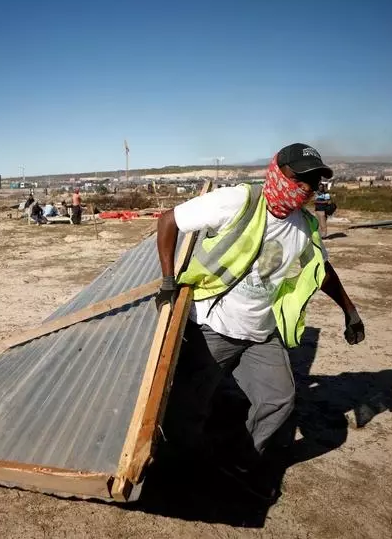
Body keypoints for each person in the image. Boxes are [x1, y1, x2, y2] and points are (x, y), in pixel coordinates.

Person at [155, 143, 365, 500]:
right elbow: (168, 220)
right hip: (213, 324)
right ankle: (176, 469)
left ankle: (240, 459)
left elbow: (322, 271)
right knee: (188, 404)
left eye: (314, 181)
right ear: (278, 172)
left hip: (261, 332)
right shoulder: (239, 201)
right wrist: (167, 282)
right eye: (302, 178)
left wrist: (350, 310)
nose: (308, 188)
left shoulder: (304, 225)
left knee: (279, 398)